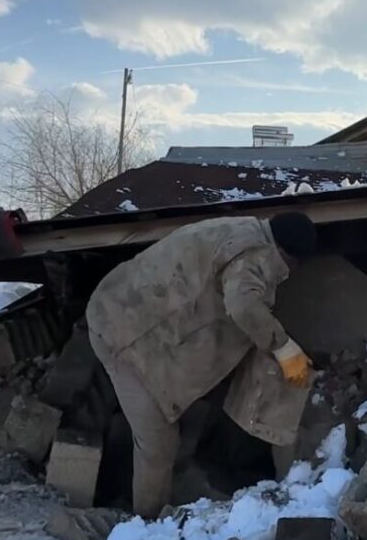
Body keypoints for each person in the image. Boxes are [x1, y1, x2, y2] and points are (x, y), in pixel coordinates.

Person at [86, 213, 316, 518]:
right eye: (294, 267)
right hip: (122, 334)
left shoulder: (243, 229)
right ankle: (146, 526)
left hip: (127, 314)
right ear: (289, 256)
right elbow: (242, 303)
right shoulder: (256, 254)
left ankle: (168, 495)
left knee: (182, 416)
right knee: (158, 443)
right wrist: (283, 347)